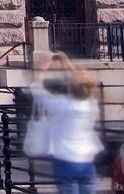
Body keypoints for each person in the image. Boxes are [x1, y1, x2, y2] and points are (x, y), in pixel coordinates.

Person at [30, 54, 102, 194]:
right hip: (87, 159)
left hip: (65, 157)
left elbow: (37, 88)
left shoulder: (60, 105)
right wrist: (68, 63)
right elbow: (80, 81)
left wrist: (44, 68)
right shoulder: (91, 105)